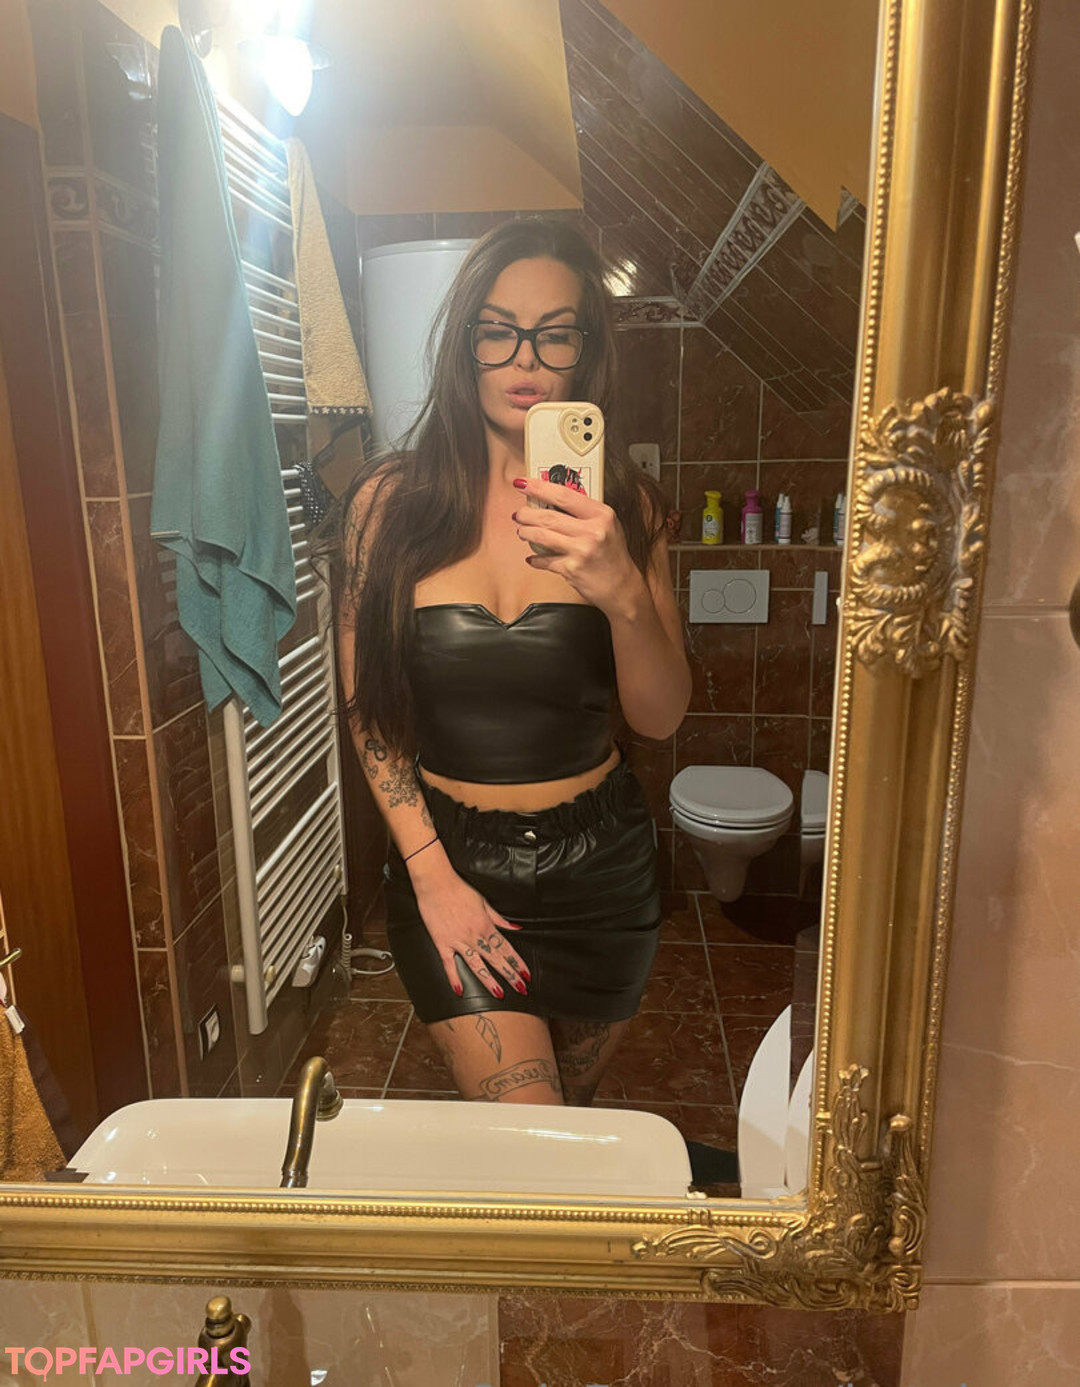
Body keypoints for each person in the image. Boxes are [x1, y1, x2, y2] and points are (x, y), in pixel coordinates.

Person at [335, 217, 690, 1106]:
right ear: (465, 343)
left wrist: (623, 591)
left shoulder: (628, 511)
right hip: (448, 862)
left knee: (570, 1128)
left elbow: (660, 717)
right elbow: (371, 712)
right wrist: (431, 878)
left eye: (555, 333)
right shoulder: (386, 506)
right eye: (498, 330)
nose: (525, 358)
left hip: (603, 872)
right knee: (532, 1135)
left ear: (585, 353)